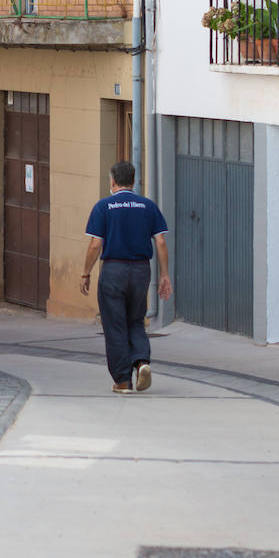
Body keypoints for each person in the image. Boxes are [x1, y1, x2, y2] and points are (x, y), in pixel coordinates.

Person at [80, 161, 173, 393]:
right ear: (134, 180)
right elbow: (160, 241)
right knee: (136, 320)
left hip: (114, 270)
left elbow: (95, 244)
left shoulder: (103, 206)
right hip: (141, 271)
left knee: (115, 325)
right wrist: (165, 275)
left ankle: (122, 380)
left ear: (112, 181)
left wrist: (86, 273)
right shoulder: (148, 206)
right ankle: (142, 362)